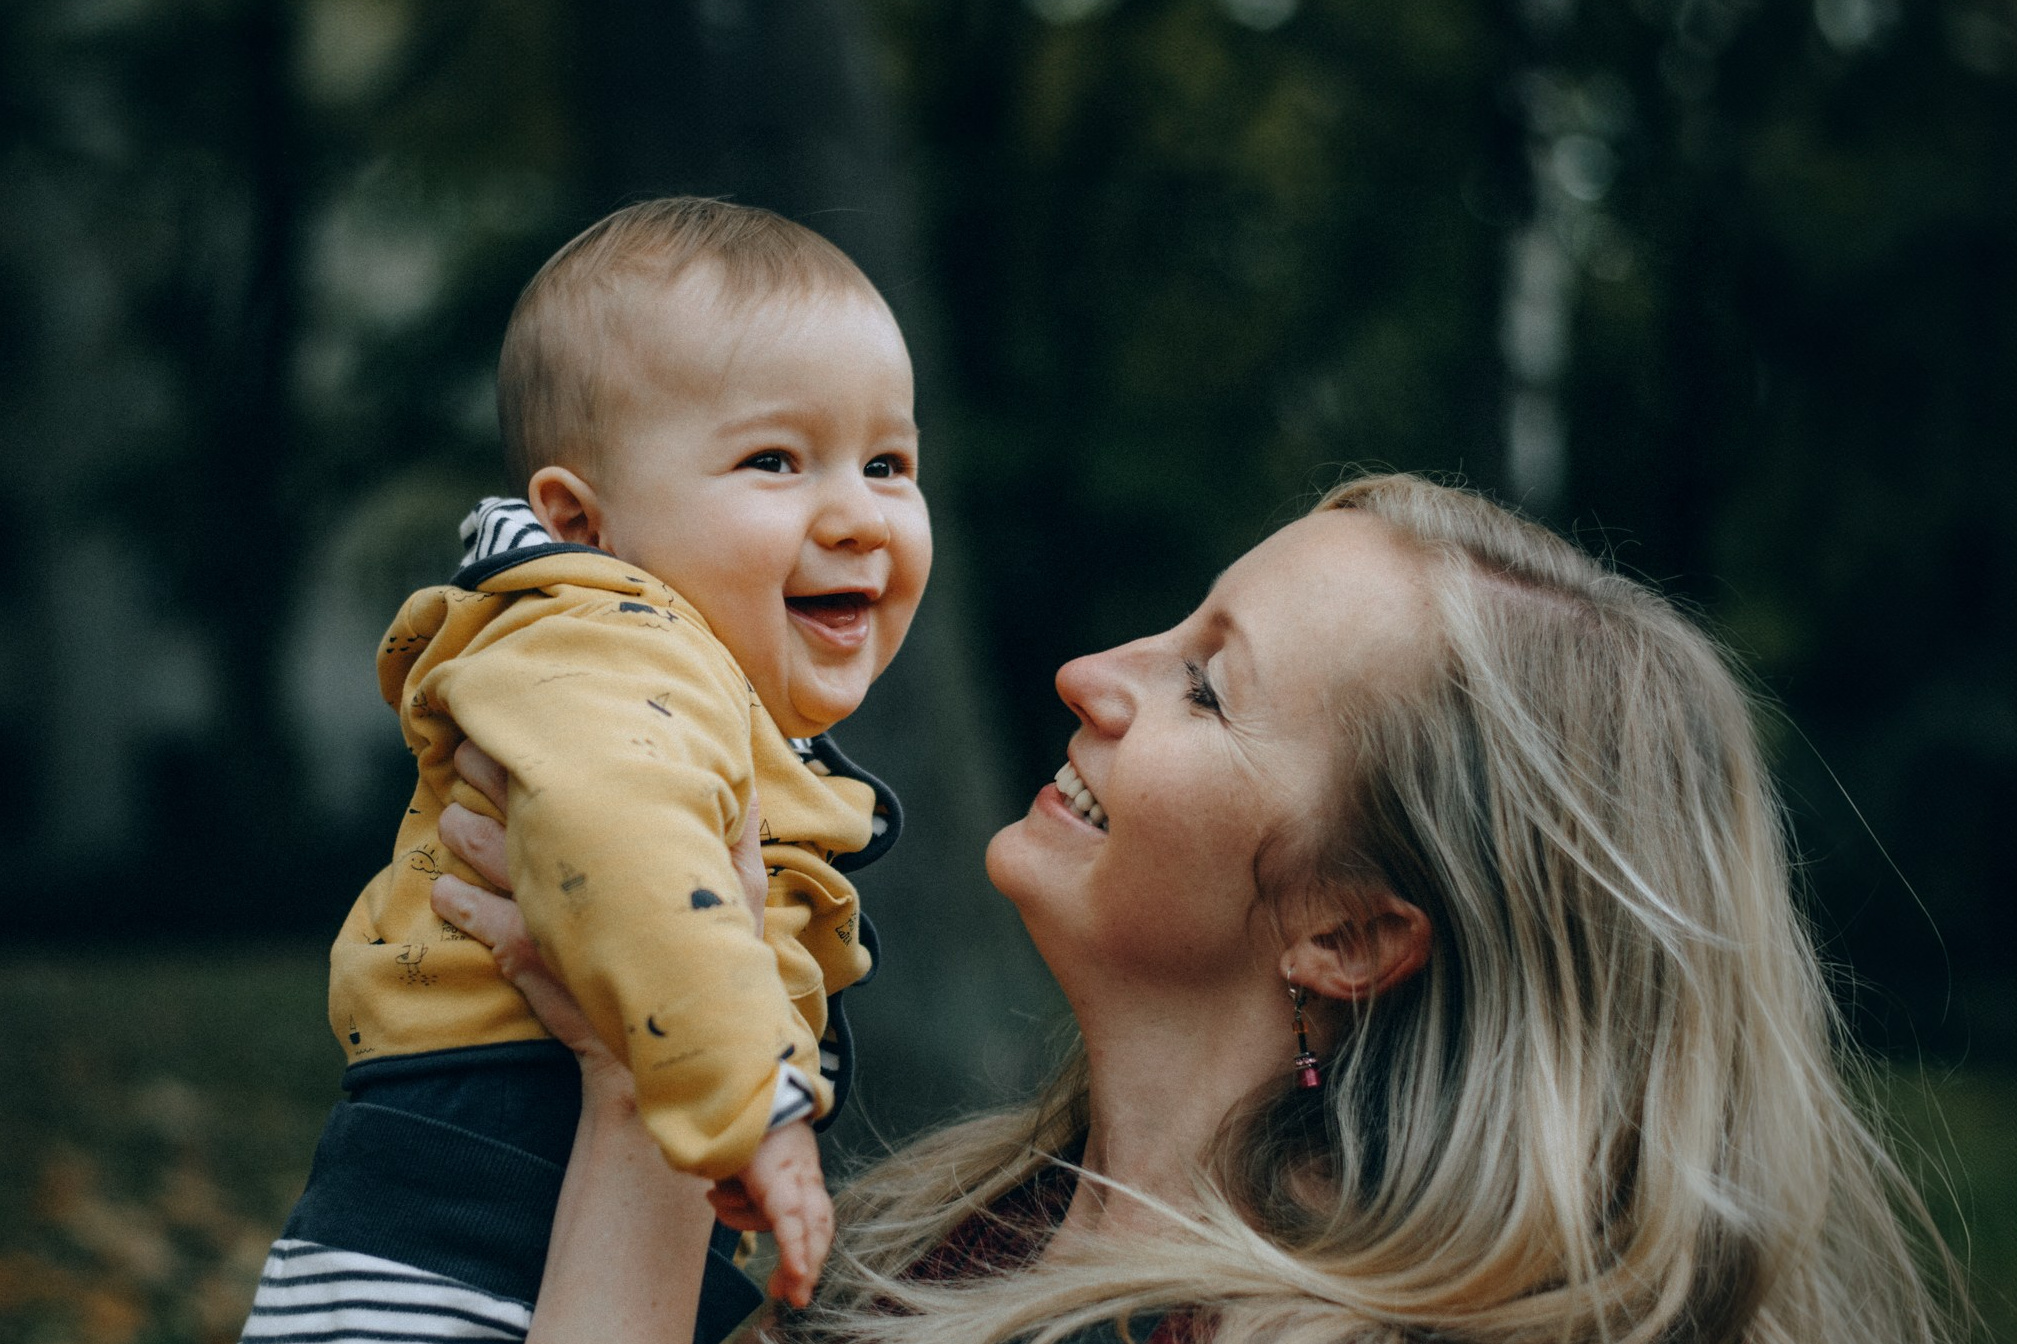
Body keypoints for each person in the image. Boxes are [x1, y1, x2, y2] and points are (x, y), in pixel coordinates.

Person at [432, 473, 1957, 1343]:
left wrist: (646, 1099)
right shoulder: (953, 1237)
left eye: (1206, 688)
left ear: (1348, 932)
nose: (1093, 675)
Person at [245, 199, 931, 1339]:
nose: (857, 514)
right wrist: (755, 1098)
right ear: (583, 520)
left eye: (888, 462)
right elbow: (626, 841)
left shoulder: (693, 677)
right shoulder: (608, 646)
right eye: (774, 458)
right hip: (462, 1219)